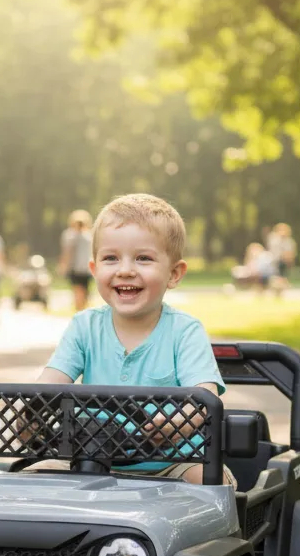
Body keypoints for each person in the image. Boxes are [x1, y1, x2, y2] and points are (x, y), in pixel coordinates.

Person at [38, 193, 235, 488]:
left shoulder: (185, 331)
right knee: (29, 478)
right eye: (110, 258)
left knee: (209, 480)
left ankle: (229, 534)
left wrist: (179, 424)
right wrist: (29, 413)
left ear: (174, 273)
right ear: (94, 270)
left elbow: (203, 400)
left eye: (143, 258)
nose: (126, 269)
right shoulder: (84, 327)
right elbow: (49, 384)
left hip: (173, 463)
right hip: (89, 460)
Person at [58, 209, 94, 311]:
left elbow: (67, 253)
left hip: (75, 268)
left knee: (78, 291)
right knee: (84, 292)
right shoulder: (89, 235)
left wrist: (63, 266)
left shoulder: (69, 235)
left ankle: (80, 311)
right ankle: (82, 311)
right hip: (87, 268)